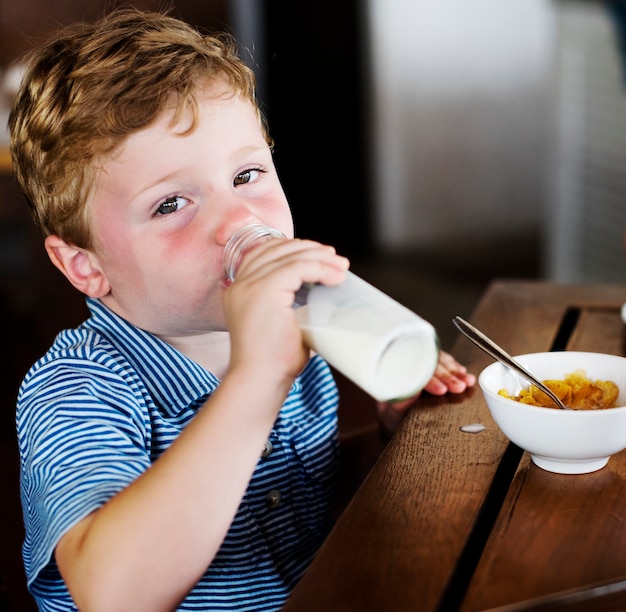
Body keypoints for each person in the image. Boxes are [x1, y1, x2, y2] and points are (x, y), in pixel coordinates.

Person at [10, 8, 475, 611]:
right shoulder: (78, 389)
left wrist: (393, 431)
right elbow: (112, 593)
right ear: (85, 266)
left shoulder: (299, 341)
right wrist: (257, 380)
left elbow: (302, 513)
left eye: (247, 174)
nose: (239, 221)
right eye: (171, 203)